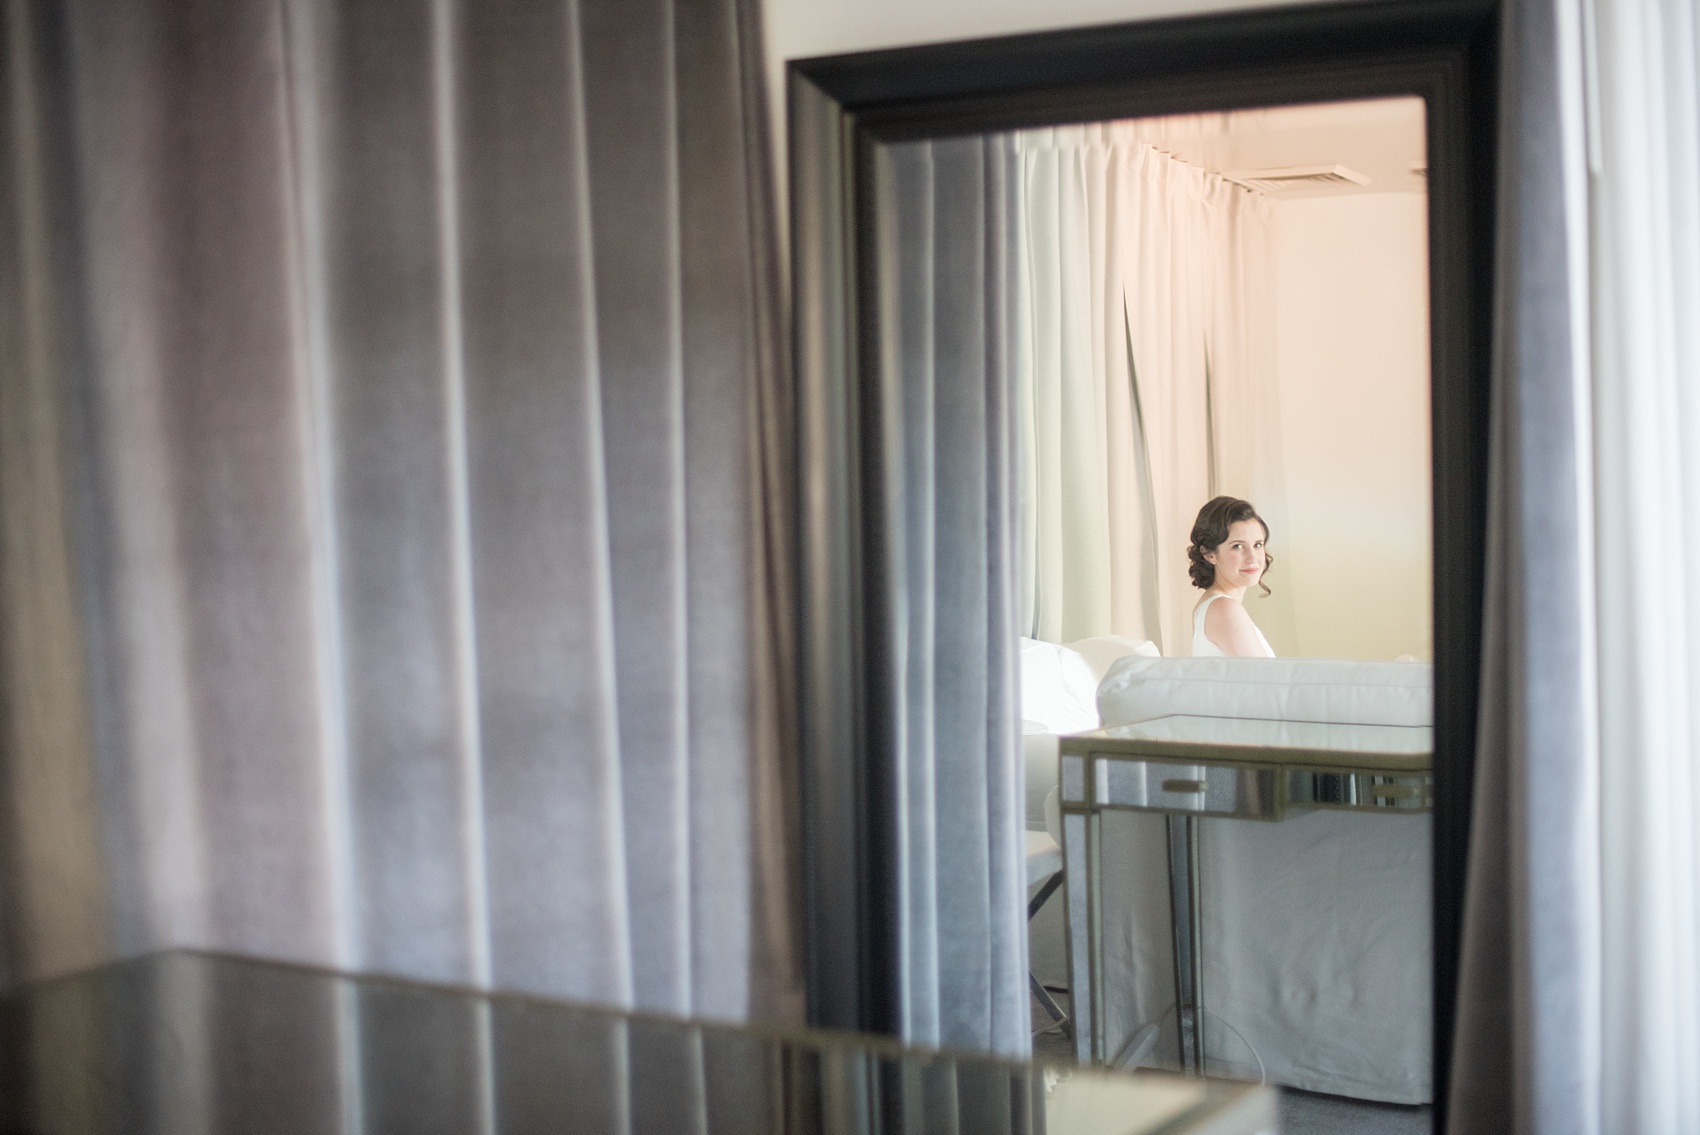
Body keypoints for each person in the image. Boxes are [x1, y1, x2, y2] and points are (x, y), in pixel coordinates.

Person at [1187, 495, 1276, 658]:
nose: (1253, 558)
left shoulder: (1214, 606)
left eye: (1257, 545)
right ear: (1209, 553)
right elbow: (1266, 681)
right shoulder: (1224, 608)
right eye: (1238, 546)